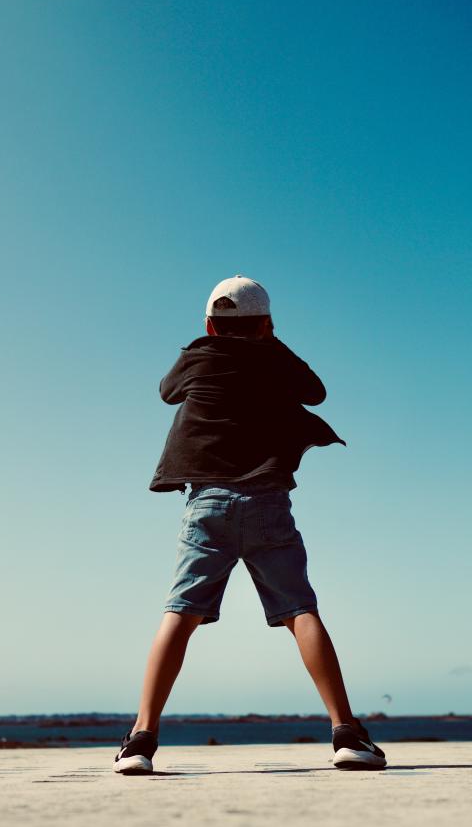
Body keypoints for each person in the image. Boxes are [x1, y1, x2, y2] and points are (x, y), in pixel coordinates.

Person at [114, 275, 387, 775]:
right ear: (266, 325)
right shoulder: (275, 358)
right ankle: (347, 733)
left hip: (206, 505)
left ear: (209, 326)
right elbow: (316, 392)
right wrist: (269, 343)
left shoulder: (198, 357)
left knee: (180, 613)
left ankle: (141, 741)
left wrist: (212, 344)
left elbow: (166, 391)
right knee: (300, 611)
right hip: (266, 502)